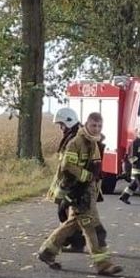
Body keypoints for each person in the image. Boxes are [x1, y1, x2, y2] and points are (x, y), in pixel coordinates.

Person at [36, 111, 123, 276]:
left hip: (88, 193)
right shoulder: (76, 143)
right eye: (93, 125)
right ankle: (103, 264)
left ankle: (47, 252)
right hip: (79, 192)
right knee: (94, 229)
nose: (96, 129)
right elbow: (67, 166)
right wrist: (86, 177)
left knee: (73, 224)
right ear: (86, 125)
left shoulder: (94, 143)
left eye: (99, 126)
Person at [49, 108, 88, 253]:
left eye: (62, 125)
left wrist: (68, 185)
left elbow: (72, 165)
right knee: (67, 212)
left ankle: (73, 241)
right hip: (71, 182)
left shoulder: (75, 139)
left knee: (67, 212)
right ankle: (73, 241)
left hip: (75, 184)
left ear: (69, 122)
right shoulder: (74, 135)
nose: (61, 128)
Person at [119, 128, 140, 205]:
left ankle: (124, 197)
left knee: (134, 185)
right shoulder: (135, 143)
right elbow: (131, 157)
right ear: (138, 133)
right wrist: (139, 164)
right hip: (138, 169)